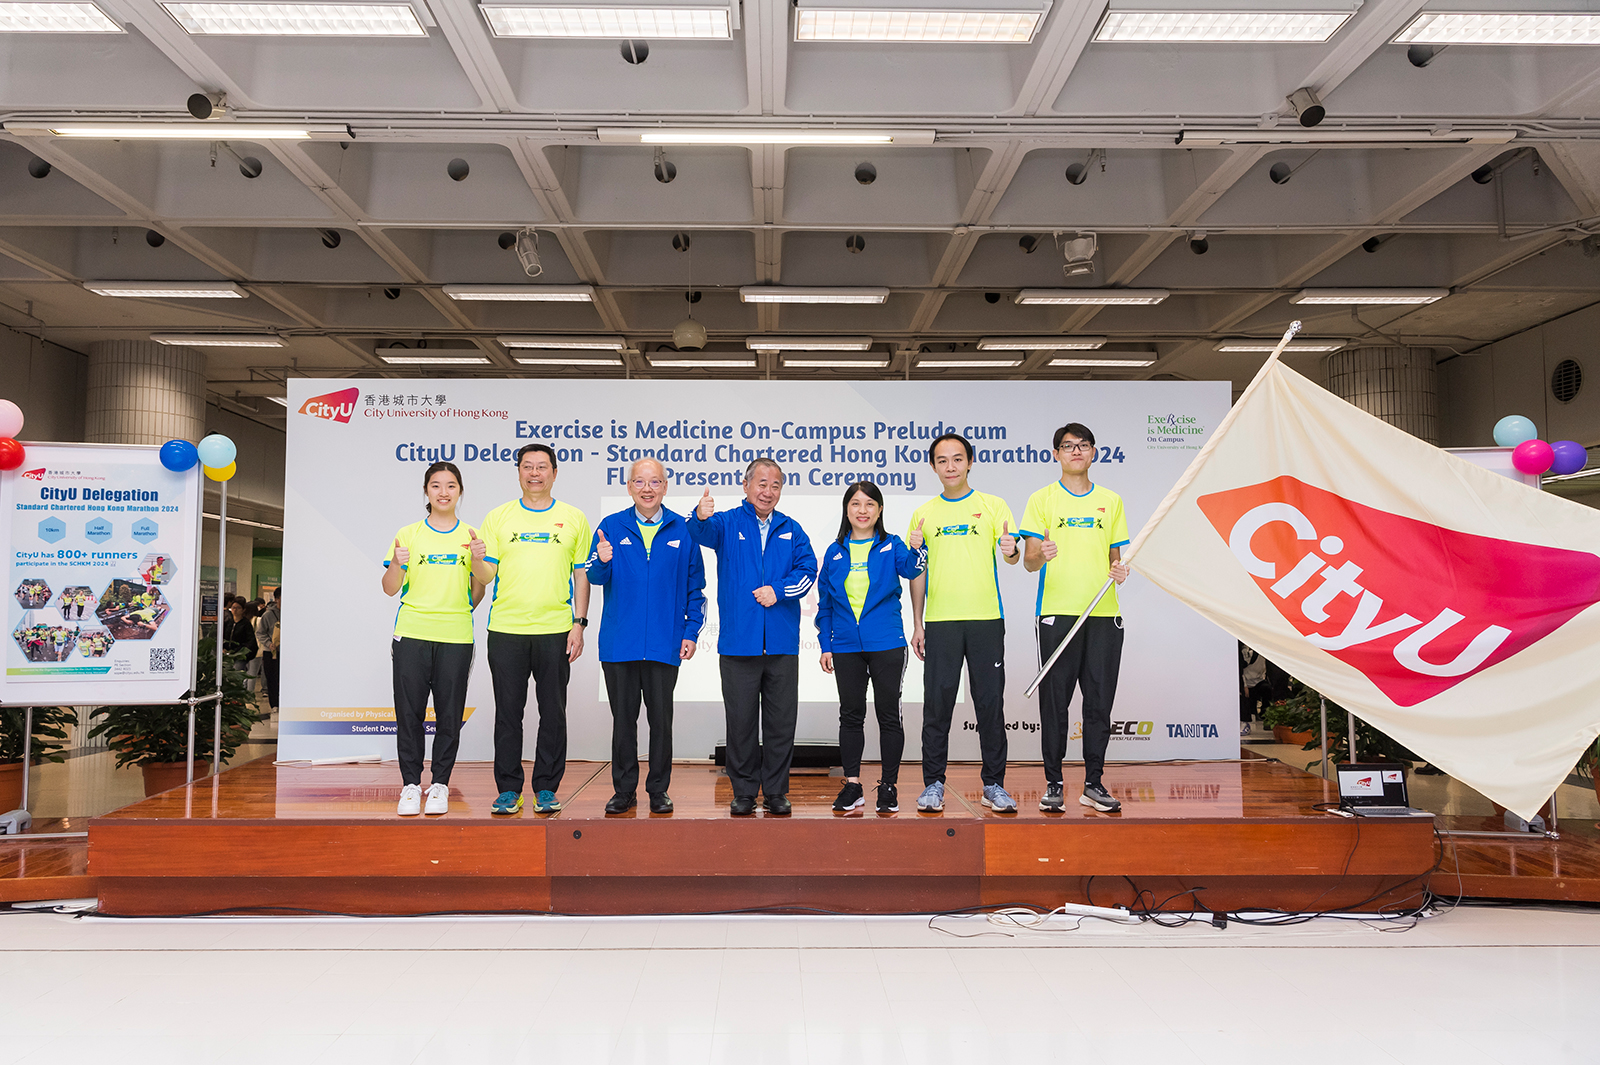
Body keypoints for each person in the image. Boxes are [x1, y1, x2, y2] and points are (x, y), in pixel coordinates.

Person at [688, 459, 817, 816]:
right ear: (745, 485)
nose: (768, 491)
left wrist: (779, 590)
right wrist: (699, 515)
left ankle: (776, 791)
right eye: (761, 483)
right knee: (741, 723)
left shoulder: (791, 529)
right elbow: (699, 532)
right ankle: (743, 791)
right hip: (738, 644)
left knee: (780, 723)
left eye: (775, 485)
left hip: (781, 645)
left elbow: (809, 570)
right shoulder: (727, 523)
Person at [472, 444, 591, 817]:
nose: (534, 473)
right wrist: (476, 560)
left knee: (553, 712)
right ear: (519, 472)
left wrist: (579, 623)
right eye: (527, 466)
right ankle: (509, 789)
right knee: (508, 712)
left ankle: (546, 788)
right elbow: (486, 575)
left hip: (556, 629)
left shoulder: (574, 518)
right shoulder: (498, 517)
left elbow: (581, 574)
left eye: (542, 467)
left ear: (554, 472)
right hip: (506, 629)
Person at [585, 458, 707, 815]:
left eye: (655, 482)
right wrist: (602, 560)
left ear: (665, 487)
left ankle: (658, 790)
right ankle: (624, 791)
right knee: (623, 723)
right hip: (619, 645)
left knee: (661, 723)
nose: (647, 489)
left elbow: (696, 589)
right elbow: (594, 576)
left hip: (664, 644)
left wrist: (690, 632)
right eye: (639, 482)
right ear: (629, 487)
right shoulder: (611, 526)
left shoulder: (684, 530)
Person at [907, 432, 1021, 813]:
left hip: (986, 620)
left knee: (990, 703)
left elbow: (1011, 556)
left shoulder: (993, 506)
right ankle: (933, 784)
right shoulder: (923, 514)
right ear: (933, 466)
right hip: (941, 622)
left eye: (958, 459)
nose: (951, 466)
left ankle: (994, 785)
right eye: (942, 460)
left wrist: (1011, 550)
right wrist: (918, 622)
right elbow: (917, 571)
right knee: (937, 705)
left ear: (970, 462)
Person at [1020, 422, 1131, 813]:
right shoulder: (1042, 500)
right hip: (1057, 614)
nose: (1076, 451)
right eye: (1068, 446)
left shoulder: (1111, 501)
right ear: (1056, 454)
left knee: (1099, 704)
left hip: (1103, 614)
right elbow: (1029, 562)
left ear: (1094, 452)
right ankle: (1054, 784)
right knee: (1055, 704)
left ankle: (1093, 783)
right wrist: (1041, 554)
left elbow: (1116, 558)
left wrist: (1120, 570)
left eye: (1083, 445)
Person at [383, 461, 485, 817]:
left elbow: (479, 587)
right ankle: (411, 785)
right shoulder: (408, 534)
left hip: (456, 636)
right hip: (412, 634)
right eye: (436, 485)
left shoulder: (471, 535)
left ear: (460, 491)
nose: (444, 492)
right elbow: (390, 588)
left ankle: (440, 783)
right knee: (409, 713)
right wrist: (396, 564)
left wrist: (474, 567)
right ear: (426, 491)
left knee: (449, 715)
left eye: (451, 485)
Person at [816, 481, 924, 814]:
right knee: (851, 715)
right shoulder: (834, 551)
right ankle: (852, 785)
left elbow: (912, 569)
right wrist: (825, 644)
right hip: (845, 646)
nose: (862, 511)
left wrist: (918, 548)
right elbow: (825, 604)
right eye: (855, 504)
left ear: (879, 510)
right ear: (846, 510)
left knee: (888, 715)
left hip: (887, 643)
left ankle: (888, 786)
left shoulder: (892, 545)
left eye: (869, 504)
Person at [258, 588, 281, 711]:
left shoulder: (293, 614)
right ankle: (274, 705)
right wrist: (269, 643)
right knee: (272, 679)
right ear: (276, 599)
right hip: (271, 652)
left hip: (288, 653)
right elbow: (260, 633)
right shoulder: (268, 615)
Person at [224, 598, 258, 666]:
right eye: (233, 607)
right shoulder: (228, 623)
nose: (235, 610)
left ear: (243, 610)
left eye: (238, 608)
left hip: (239, 654)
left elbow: (250, 641)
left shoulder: (246, 624)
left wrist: (240, 651)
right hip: (226, 654)